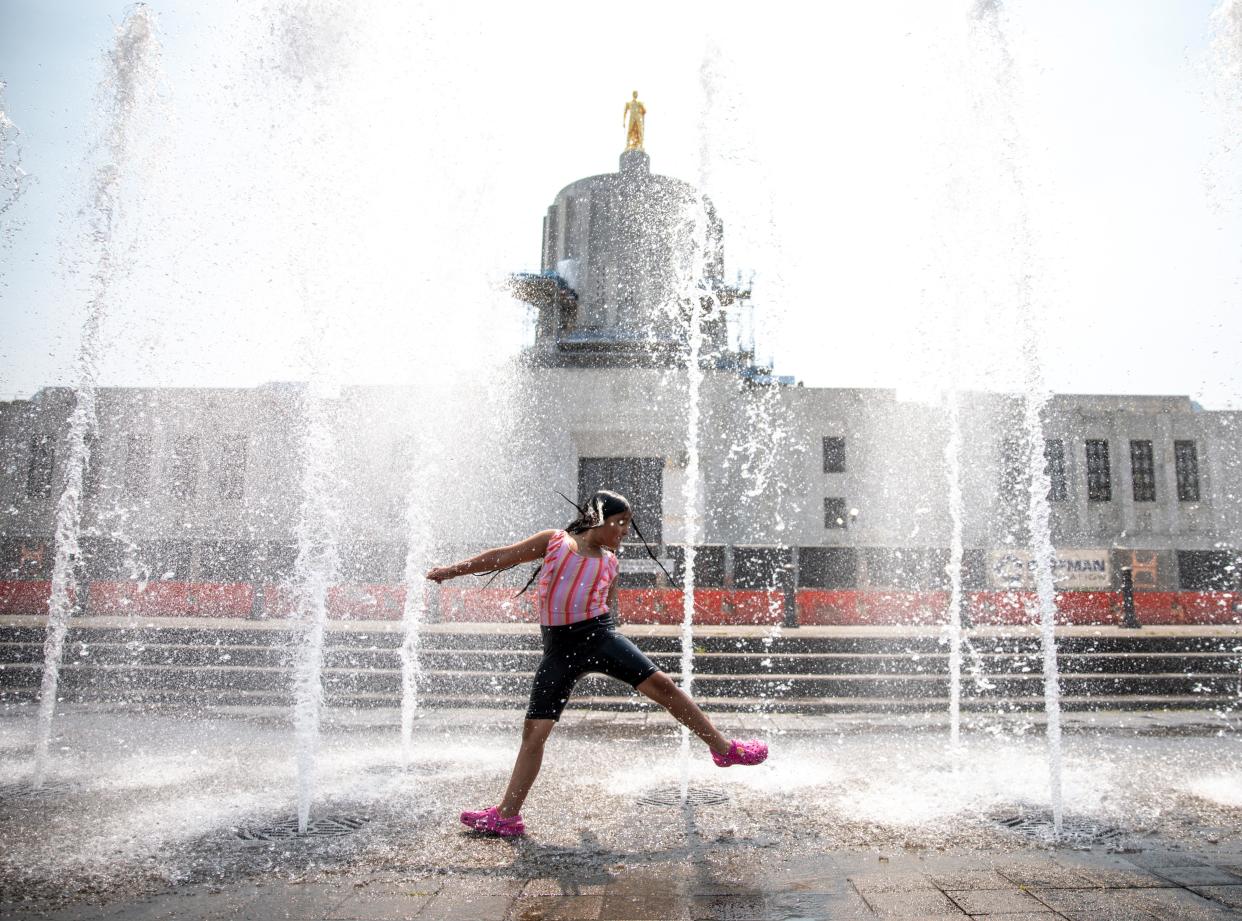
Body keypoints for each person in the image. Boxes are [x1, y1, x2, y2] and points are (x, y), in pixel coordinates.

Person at [425, 489, 768, 837]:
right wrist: (451, 571)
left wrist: (617, 658)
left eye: (628, 526)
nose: (625, 532)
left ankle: (724, 750)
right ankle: (507, 815)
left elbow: (607, 606)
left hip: (601, 638)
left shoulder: (610, 562)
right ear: (597, 519)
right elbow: (504, 557)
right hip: (559, 650)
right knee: (534, 732)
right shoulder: (555, 542)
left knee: (663, 686)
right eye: (620, 523)